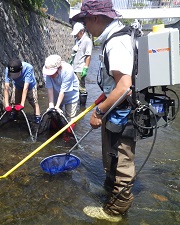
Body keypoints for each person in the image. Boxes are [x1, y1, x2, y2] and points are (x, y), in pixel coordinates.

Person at [72, 0, 136, 221]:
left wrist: (99, 111)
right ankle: (110, 192)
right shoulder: (114, 37)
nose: (84, 25)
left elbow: (125, 85)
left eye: (85, 20)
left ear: (96, 18)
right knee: (112, 156)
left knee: (122, 160)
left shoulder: (116, 42)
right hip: (117, 109)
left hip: (124, 113)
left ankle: (116, 211)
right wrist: (104, 96)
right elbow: (115, 83)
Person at [42, 54, 79, 135]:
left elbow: (63, 90)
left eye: (53, 73)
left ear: (60, 68)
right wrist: (51, 105)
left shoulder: (68, 70)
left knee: (71, 117)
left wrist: (57, 106)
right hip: (55, 93)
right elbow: (49, 88)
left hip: (71, 94)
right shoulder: (45, 70)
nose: (51, 75)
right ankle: (54, 132)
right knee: (54, 114)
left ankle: (68, 136)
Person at [4, 58, 41, 123]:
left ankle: (37, 118)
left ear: (21, 70)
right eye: (12, 75)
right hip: (17, 85)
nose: (13, 76)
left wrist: (22, 104)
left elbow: (25, 88)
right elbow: (6, 87)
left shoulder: (28, 68)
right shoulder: (8, 69)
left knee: (33, 102)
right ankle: (14, 115)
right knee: (14, 102)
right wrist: (7, 105)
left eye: (15, 75)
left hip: (30, 86)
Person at [70, 22, 93, 105]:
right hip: (74, 67)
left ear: (82, 31)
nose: (76, 35)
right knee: (73, 86)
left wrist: (85, 68)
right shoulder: (77, 40)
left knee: (81, 87)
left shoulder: (87, 41)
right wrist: (71, 60)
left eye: (77, 33)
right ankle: (75, 103)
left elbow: (88, 56)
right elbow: (75, 52)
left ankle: (82, 106)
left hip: (80, 68)